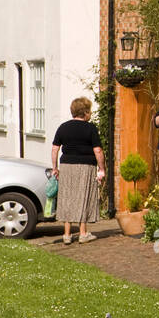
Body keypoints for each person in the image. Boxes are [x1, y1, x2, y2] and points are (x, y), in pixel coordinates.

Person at [51, 96, 105, 244]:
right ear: (85, 112)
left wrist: (55, 168)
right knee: (83, 197)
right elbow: (98, 150)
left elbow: (55, 149)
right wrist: (101, 168)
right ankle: (83, 233)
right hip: (86, 166)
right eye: (90, 111)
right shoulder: (90, 128)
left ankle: (67, 235)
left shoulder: (63, 127)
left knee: (67, 197)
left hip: (67, 165)